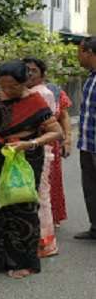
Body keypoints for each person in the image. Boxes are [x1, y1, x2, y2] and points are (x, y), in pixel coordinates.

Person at [0, 60, 62, 279]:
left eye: (13, 86)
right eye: (3, 85)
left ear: (25, 82)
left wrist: (29, 144)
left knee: (21, 208)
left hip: (24, 158)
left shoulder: (36, 102)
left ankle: (24, 262)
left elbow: (56, 132)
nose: (7, 90)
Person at [23, 57, 58, 258]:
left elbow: (46, 127)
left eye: (33, 71)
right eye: (26, 70)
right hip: (28, 151)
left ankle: (45, 244)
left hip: (39, 150)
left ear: (42, 74)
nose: (29, 74)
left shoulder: (42, 93)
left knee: (41, 197)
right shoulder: (28, 92)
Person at [76, 36, 96, 240]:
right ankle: (95, 227)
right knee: (90, 188)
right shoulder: (91, 77)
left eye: (79, 51)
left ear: (89, 52)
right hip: (87, 144)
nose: (77, 56)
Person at [45, 81, 72, 226]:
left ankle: (52, 216)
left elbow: (64, 115)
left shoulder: (54, 90)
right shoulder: (19, 89)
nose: (30, 74)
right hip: (27, 143)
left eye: (34, 70)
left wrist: (67, 139)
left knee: (52, 181)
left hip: (52, 143)